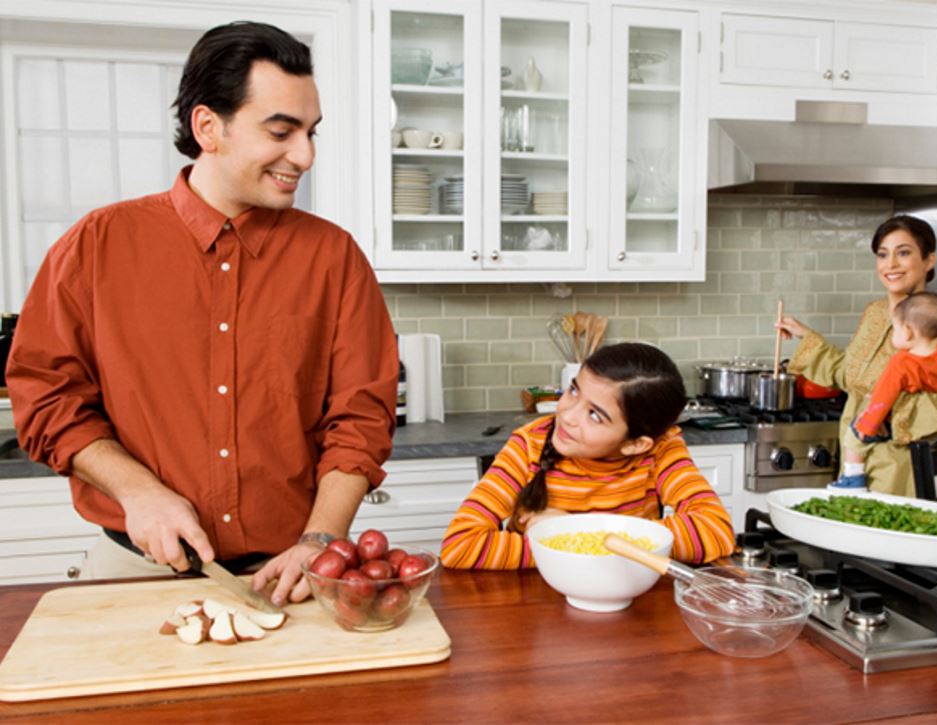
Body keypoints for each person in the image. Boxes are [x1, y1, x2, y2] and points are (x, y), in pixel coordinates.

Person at [5, 21, 398, 605]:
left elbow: (361, 417)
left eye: (312, 132)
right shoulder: (95, 245)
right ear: (208, 127)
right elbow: (46, 398)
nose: (305, 155)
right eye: (282, 131)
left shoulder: (333, 258)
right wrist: (138, 491)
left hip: (291, 574)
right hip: (134, 570)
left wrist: (321, 540)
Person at [440, 343, 735, 569]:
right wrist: (611, 545)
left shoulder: (661, 448)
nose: (567, 415)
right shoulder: (528, 445)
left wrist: (565, 532)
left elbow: (715, 530)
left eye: (594, 415)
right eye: (573, 390)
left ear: (636, 444)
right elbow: (460, 546)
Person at [777, 215, 937, 498]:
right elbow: (851, 376)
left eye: (903, 252)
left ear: (929, 260)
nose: (890, 264)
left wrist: (890, 415)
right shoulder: (875, 313)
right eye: (882, 254)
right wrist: (806, 336)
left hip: (904, 473)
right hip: (855, 466)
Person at [830, 292, 937, 498]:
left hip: (899, 425)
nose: (893, 333)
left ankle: (852, 480)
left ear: (909, 332)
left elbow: (883, 399)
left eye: (895, 329)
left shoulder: (901, 363)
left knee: (853, 435)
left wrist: (868, 425)